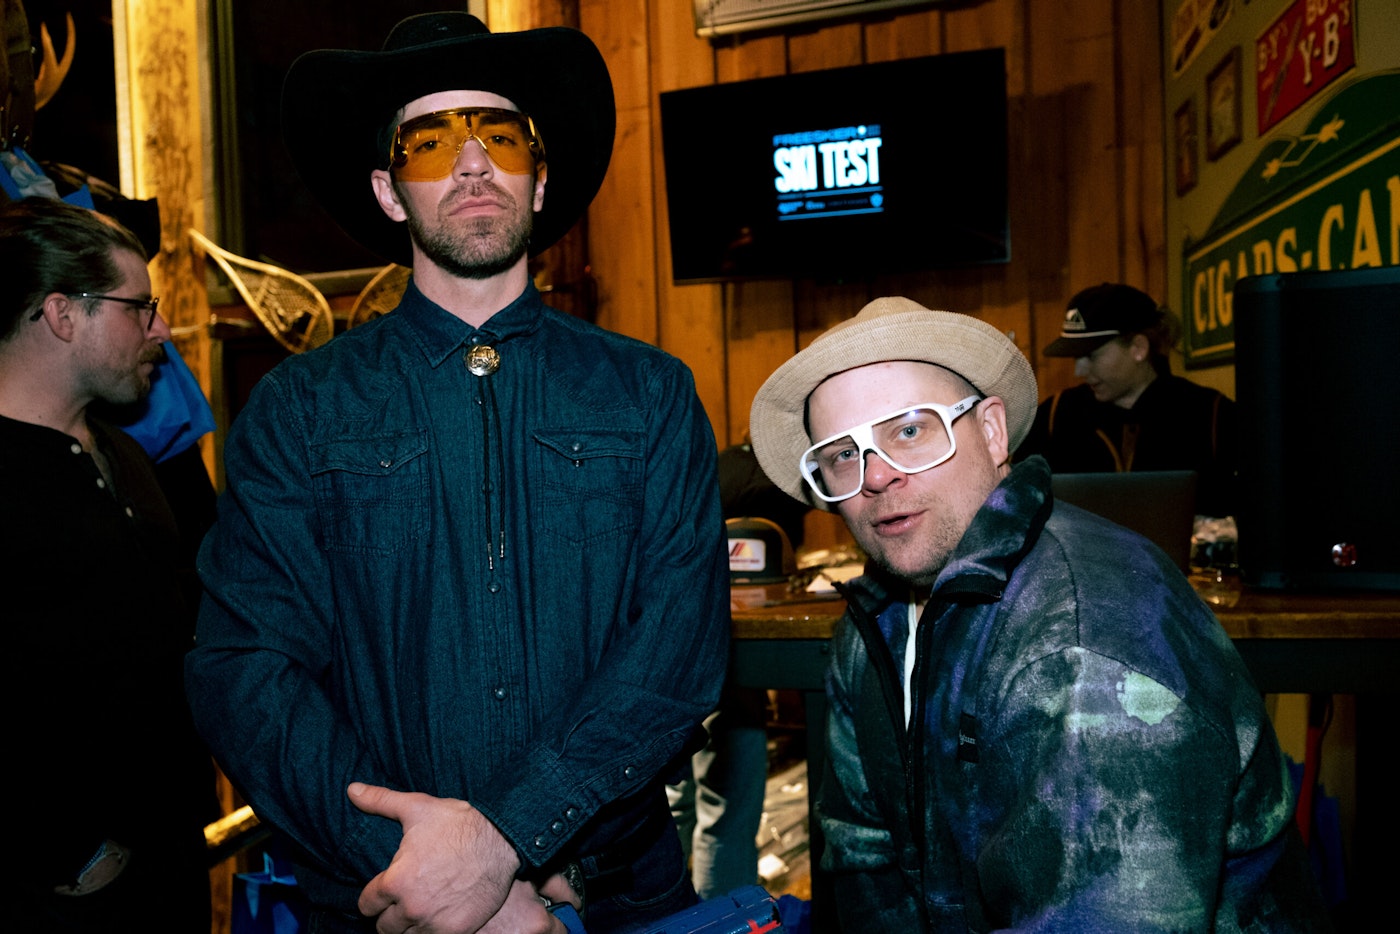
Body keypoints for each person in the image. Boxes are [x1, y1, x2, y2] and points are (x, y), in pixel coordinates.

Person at [184, 12, 730, 934]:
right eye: (430, 143)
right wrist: (426, 874)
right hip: (381, 902)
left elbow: (675, 655)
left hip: (615, 899)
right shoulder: (299, 410)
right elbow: (246, 669)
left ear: (539, 177)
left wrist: (506, 842)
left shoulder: (650, 394)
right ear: (390, 191)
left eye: (502, 136)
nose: (472, 164)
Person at [746, 296, 1330, 932]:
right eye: (842, 454)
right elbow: (865, 860)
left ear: (993, 433)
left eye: (908, 430)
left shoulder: (1086, 647)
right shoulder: (878, 617)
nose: (877, 475)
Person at [1, 196, 214, 931]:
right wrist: (62, 851)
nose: (161, 329)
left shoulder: (124, 453)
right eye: (139, 308)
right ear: (63, 314)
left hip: (172, 860)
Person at [1016, 282, 1238, 518]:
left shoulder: (1212, 415)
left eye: (1091, 356)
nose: (1079, 371)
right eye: (1075, 357)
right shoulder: (1056, 415)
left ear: (1138, 348)